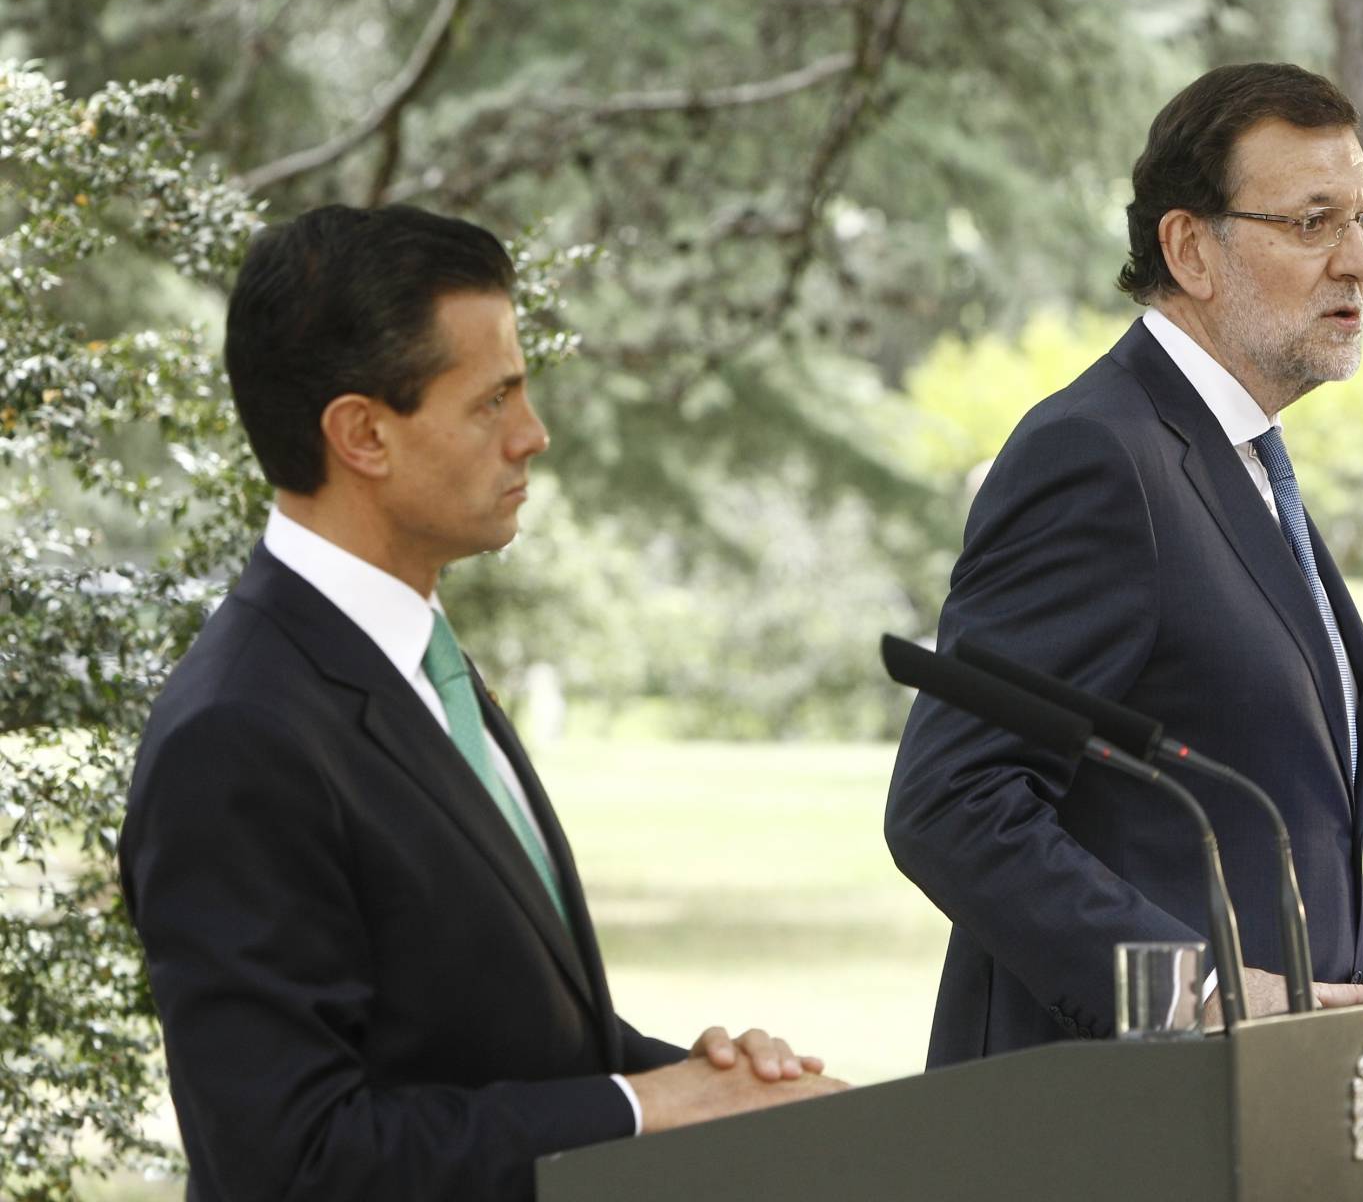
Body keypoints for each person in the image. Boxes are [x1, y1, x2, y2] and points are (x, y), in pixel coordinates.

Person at [119, 204, 844, 1202]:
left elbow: (503, 1041)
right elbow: (292, 1159)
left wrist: (710, 1084)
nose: (533, 435)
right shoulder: (239, 733)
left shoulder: (419, 658)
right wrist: (641, 1108)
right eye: (493, 399)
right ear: (361, 433)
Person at [884, 62, 1363, 1068]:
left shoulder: (1242, 461)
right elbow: (953, 803)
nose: (1360, 264)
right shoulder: (1097, 454)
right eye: (1314, 222)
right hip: (1105, 1116)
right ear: (1191, 246)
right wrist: (1193, 989)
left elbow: (1235, 818)